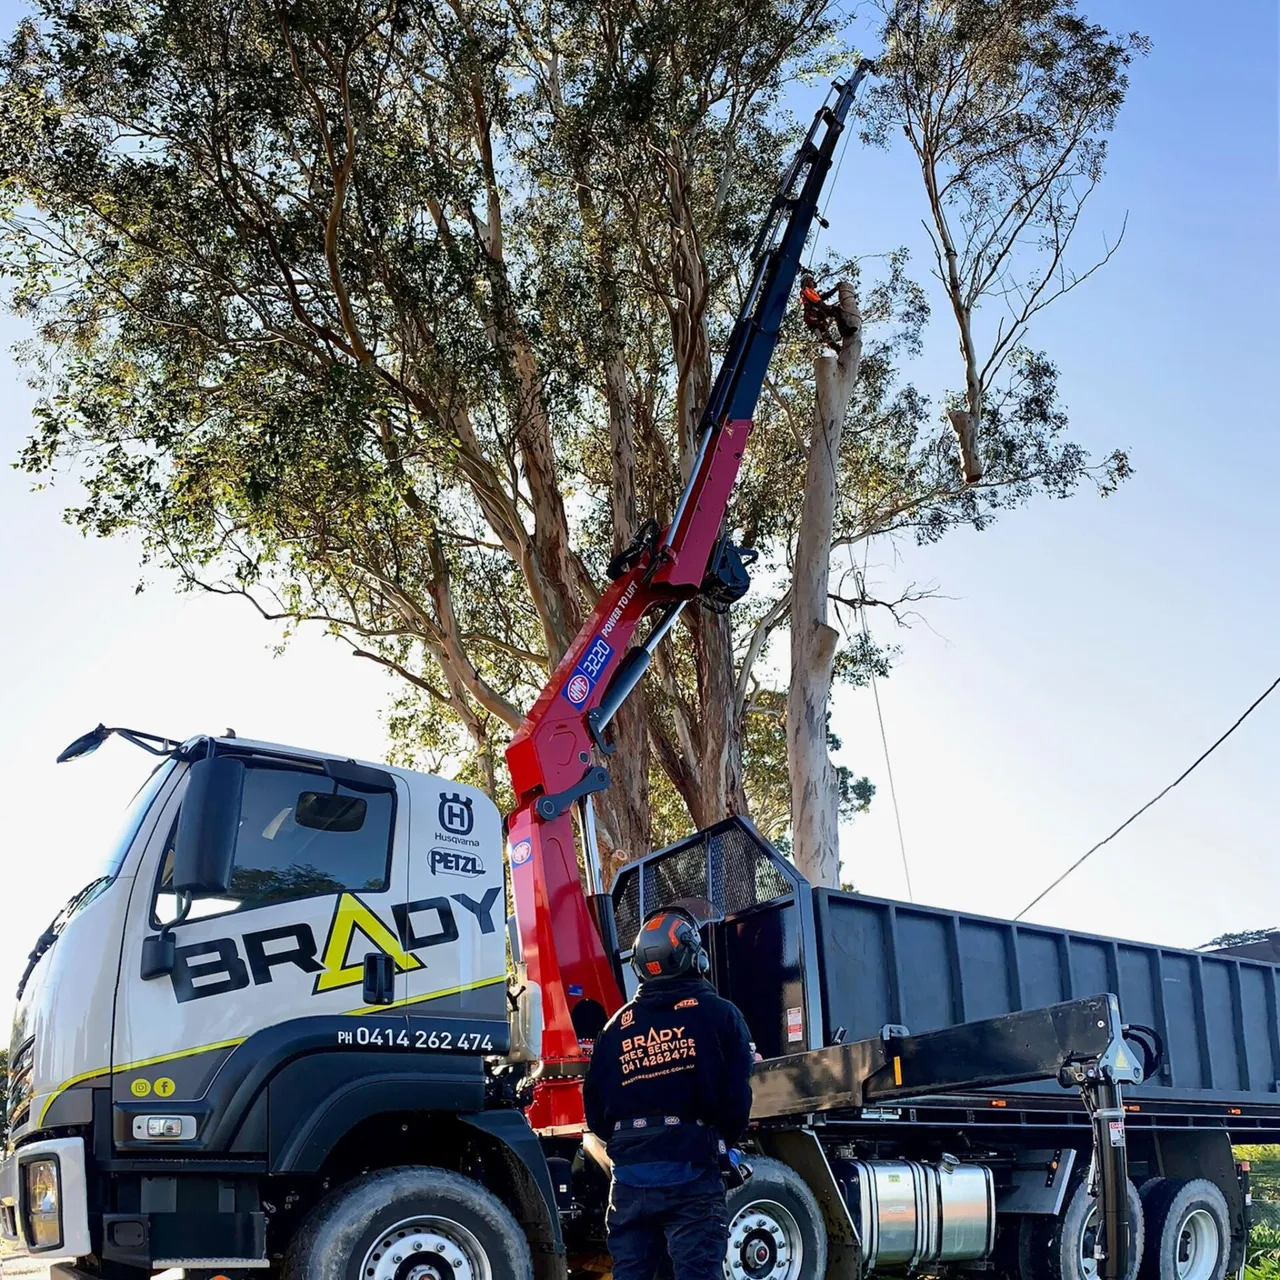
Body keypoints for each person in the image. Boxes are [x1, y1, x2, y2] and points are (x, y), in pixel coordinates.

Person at [583, 907, 755, 1280]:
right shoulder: (719, 1014)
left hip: (629, 1181)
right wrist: (715, 1139)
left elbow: (596, 1114)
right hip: (691, 1173)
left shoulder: (613, 1029)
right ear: (695, 956)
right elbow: (735, 1103)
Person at [799, 272, 852, 351]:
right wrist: (826, 308)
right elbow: (817, 301)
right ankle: (843, 331)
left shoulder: (812, 292)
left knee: (824, 331)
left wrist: (835, 289)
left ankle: (838, 346)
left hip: (818, 314)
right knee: (836, 310)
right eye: (811, 281)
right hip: (814, 313)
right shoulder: (805, 290)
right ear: (807, 281)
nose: (813, 283)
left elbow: (823, 297)